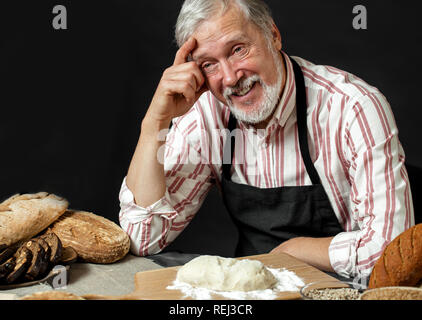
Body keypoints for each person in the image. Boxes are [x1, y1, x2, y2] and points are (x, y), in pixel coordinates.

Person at [118, 0, 414, 280]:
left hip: (345, 290)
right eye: (209, 64)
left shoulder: (351, 108)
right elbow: (142, 239)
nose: (231, 78)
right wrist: (154, 123)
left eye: (237, 50)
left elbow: (390, 253)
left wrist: (293, 251)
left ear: (273, 35)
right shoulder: (207, 117)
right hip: (255, 292)